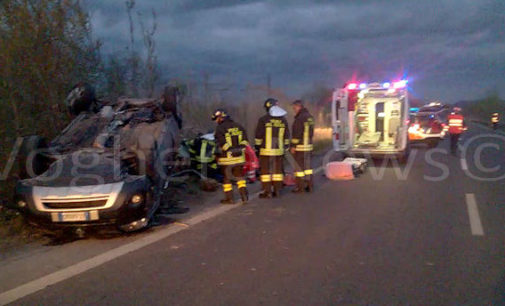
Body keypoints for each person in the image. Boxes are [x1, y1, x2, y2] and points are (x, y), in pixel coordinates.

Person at [212, 109, 249, 204]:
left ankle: (230, 199)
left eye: (216, 119)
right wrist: (239, 150)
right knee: (240, 177)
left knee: (227, 179)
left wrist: (231, 151)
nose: (216, 121)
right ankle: (244, 196)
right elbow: (245, 141)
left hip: (227, 159)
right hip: (239, 158)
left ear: (221, 117)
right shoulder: (239, 126)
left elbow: (222, 143)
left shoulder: (220, 129)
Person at [254, 98, 290, 198]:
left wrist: (257, 148)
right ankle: (277, 191)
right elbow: (287, 135)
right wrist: (286, 147)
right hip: (278, 151)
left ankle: (267, 191)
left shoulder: (263, 119)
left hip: (265, 151)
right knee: (277, 172)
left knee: (265, 172)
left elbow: (258, 136)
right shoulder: (283, 120)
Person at [290, 100, 315, 193]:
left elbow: (296, 134)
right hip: (308, 146)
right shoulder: (310, 117)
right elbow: (311, 132)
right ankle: (309, 185)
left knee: (299, 168)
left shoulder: (299, 119)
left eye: (294, 107)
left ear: (299, 106)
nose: (294, 109)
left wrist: (293, 146)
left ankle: (300, 188)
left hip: (300, 147)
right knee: (308, 168)